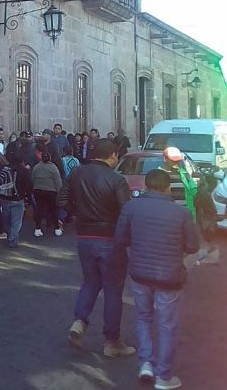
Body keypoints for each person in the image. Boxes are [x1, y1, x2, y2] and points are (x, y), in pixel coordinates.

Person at [115, 168, 198, 389]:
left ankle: (145, 363)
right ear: (167, 187)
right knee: (167, 325)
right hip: (170, 276)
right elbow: (192, 246)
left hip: (140, 273)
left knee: (143, 317)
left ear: (145, 185)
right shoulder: (180, 213)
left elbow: (121, 238)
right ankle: (164, 376)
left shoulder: (131, 207)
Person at [58, 138, 135, 357]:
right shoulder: (116, 179)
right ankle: (112, 341)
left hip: (85, 236)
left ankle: (80, 321)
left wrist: (76, 213)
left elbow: (61, 198)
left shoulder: (77, 173)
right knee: (112, 289)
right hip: (110, 238)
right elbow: (126, 211)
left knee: (90, 282)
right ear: (112, 156)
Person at [0, 147, 33, 248]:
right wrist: (28, 197)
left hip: (5, 198)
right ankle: (13, 238)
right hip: (18, 198)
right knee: (16, 221)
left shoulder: (3, 169)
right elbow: (29, 185)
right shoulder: (24, 170)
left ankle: (9, 234)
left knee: (6, 219)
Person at [31, 151, 63, 237]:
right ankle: (56, 228)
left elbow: (33, 178)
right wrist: (59, 192)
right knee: (53, 210)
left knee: (39, 210)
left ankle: (37, 229)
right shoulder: (53, 167)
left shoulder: (36, 167)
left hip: (38, 190)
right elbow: (58, 181)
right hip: (51, 191)